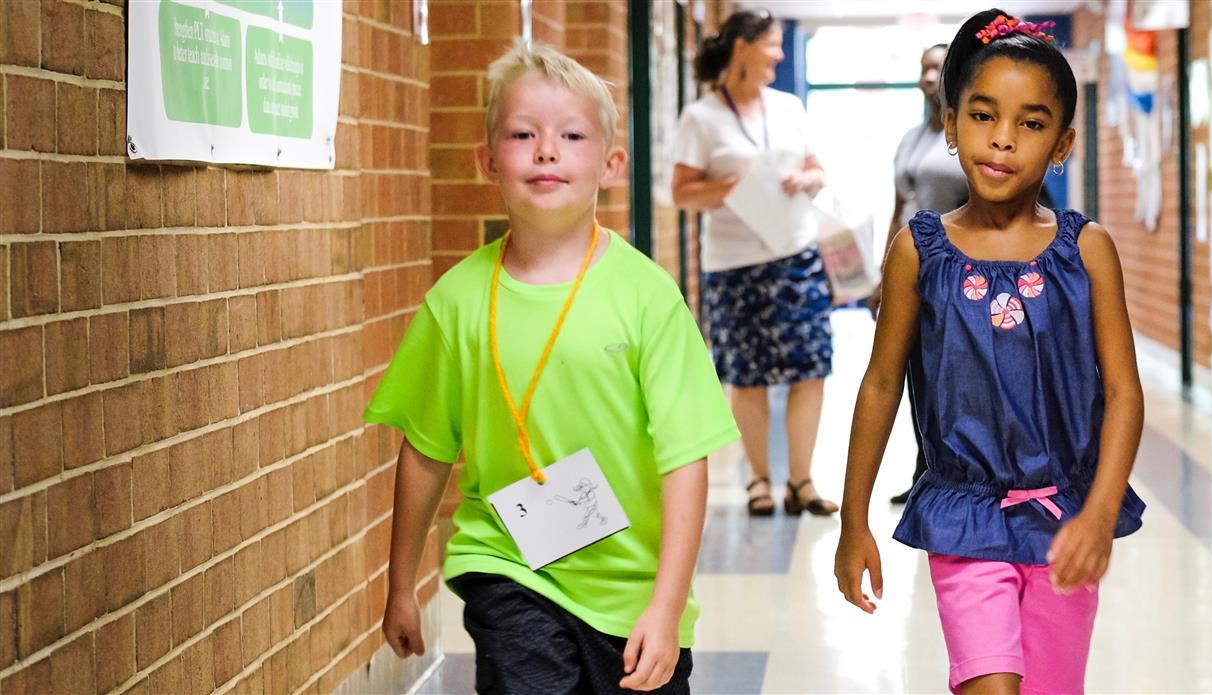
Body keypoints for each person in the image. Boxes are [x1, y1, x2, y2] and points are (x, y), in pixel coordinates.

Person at [369, 43, 739, 694]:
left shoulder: (647, 297)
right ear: (487, 160)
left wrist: (667, 602)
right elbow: (426, 450)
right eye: (522, 134)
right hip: (508, 561)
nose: (546, 150)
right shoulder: (455, 303)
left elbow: (687, 459)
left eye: (571, 135)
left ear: (610, 164)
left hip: (631, 586)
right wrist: (402, 583)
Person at [834, 10, 1148, 695]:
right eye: (982, 115)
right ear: (950, 125)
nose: (1002, 140)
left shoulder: (1086, 251)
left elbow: (1124, 391)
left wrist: (1098, 512)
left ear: (1061, 144)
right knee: (991, 685)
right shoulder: (919, 250)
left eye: (1031, 123)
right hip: (964, 513)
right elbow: (882, 382)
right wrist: (852, 515)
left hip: (1063, 519)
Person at [672, 9, 838, 517]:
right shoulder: (701, 117)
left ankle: (802, 482)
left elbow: (817, 169)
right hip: (735, 265)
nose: (780, 55)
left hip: (797, 256)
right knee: (749, 376)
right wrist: (735, 186)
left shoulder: (787, 107)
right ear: (743, 46)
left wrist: (807, 181)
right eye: (771, 44)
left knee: (810, 368)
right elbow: (681, 192)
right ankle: (760, 482)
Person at [873, 43, 969, 505]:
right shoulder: (912, 139)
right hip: (913, 270)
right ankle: (924, 470)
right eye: (924, 69)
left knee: (951, 374)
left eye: (939, 68)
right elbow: (899, 209)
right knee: (916, 372)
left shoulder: (969, 136)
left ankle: (943, 471)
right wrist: (883, 273)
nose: (930, 76)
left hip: (956, 271)